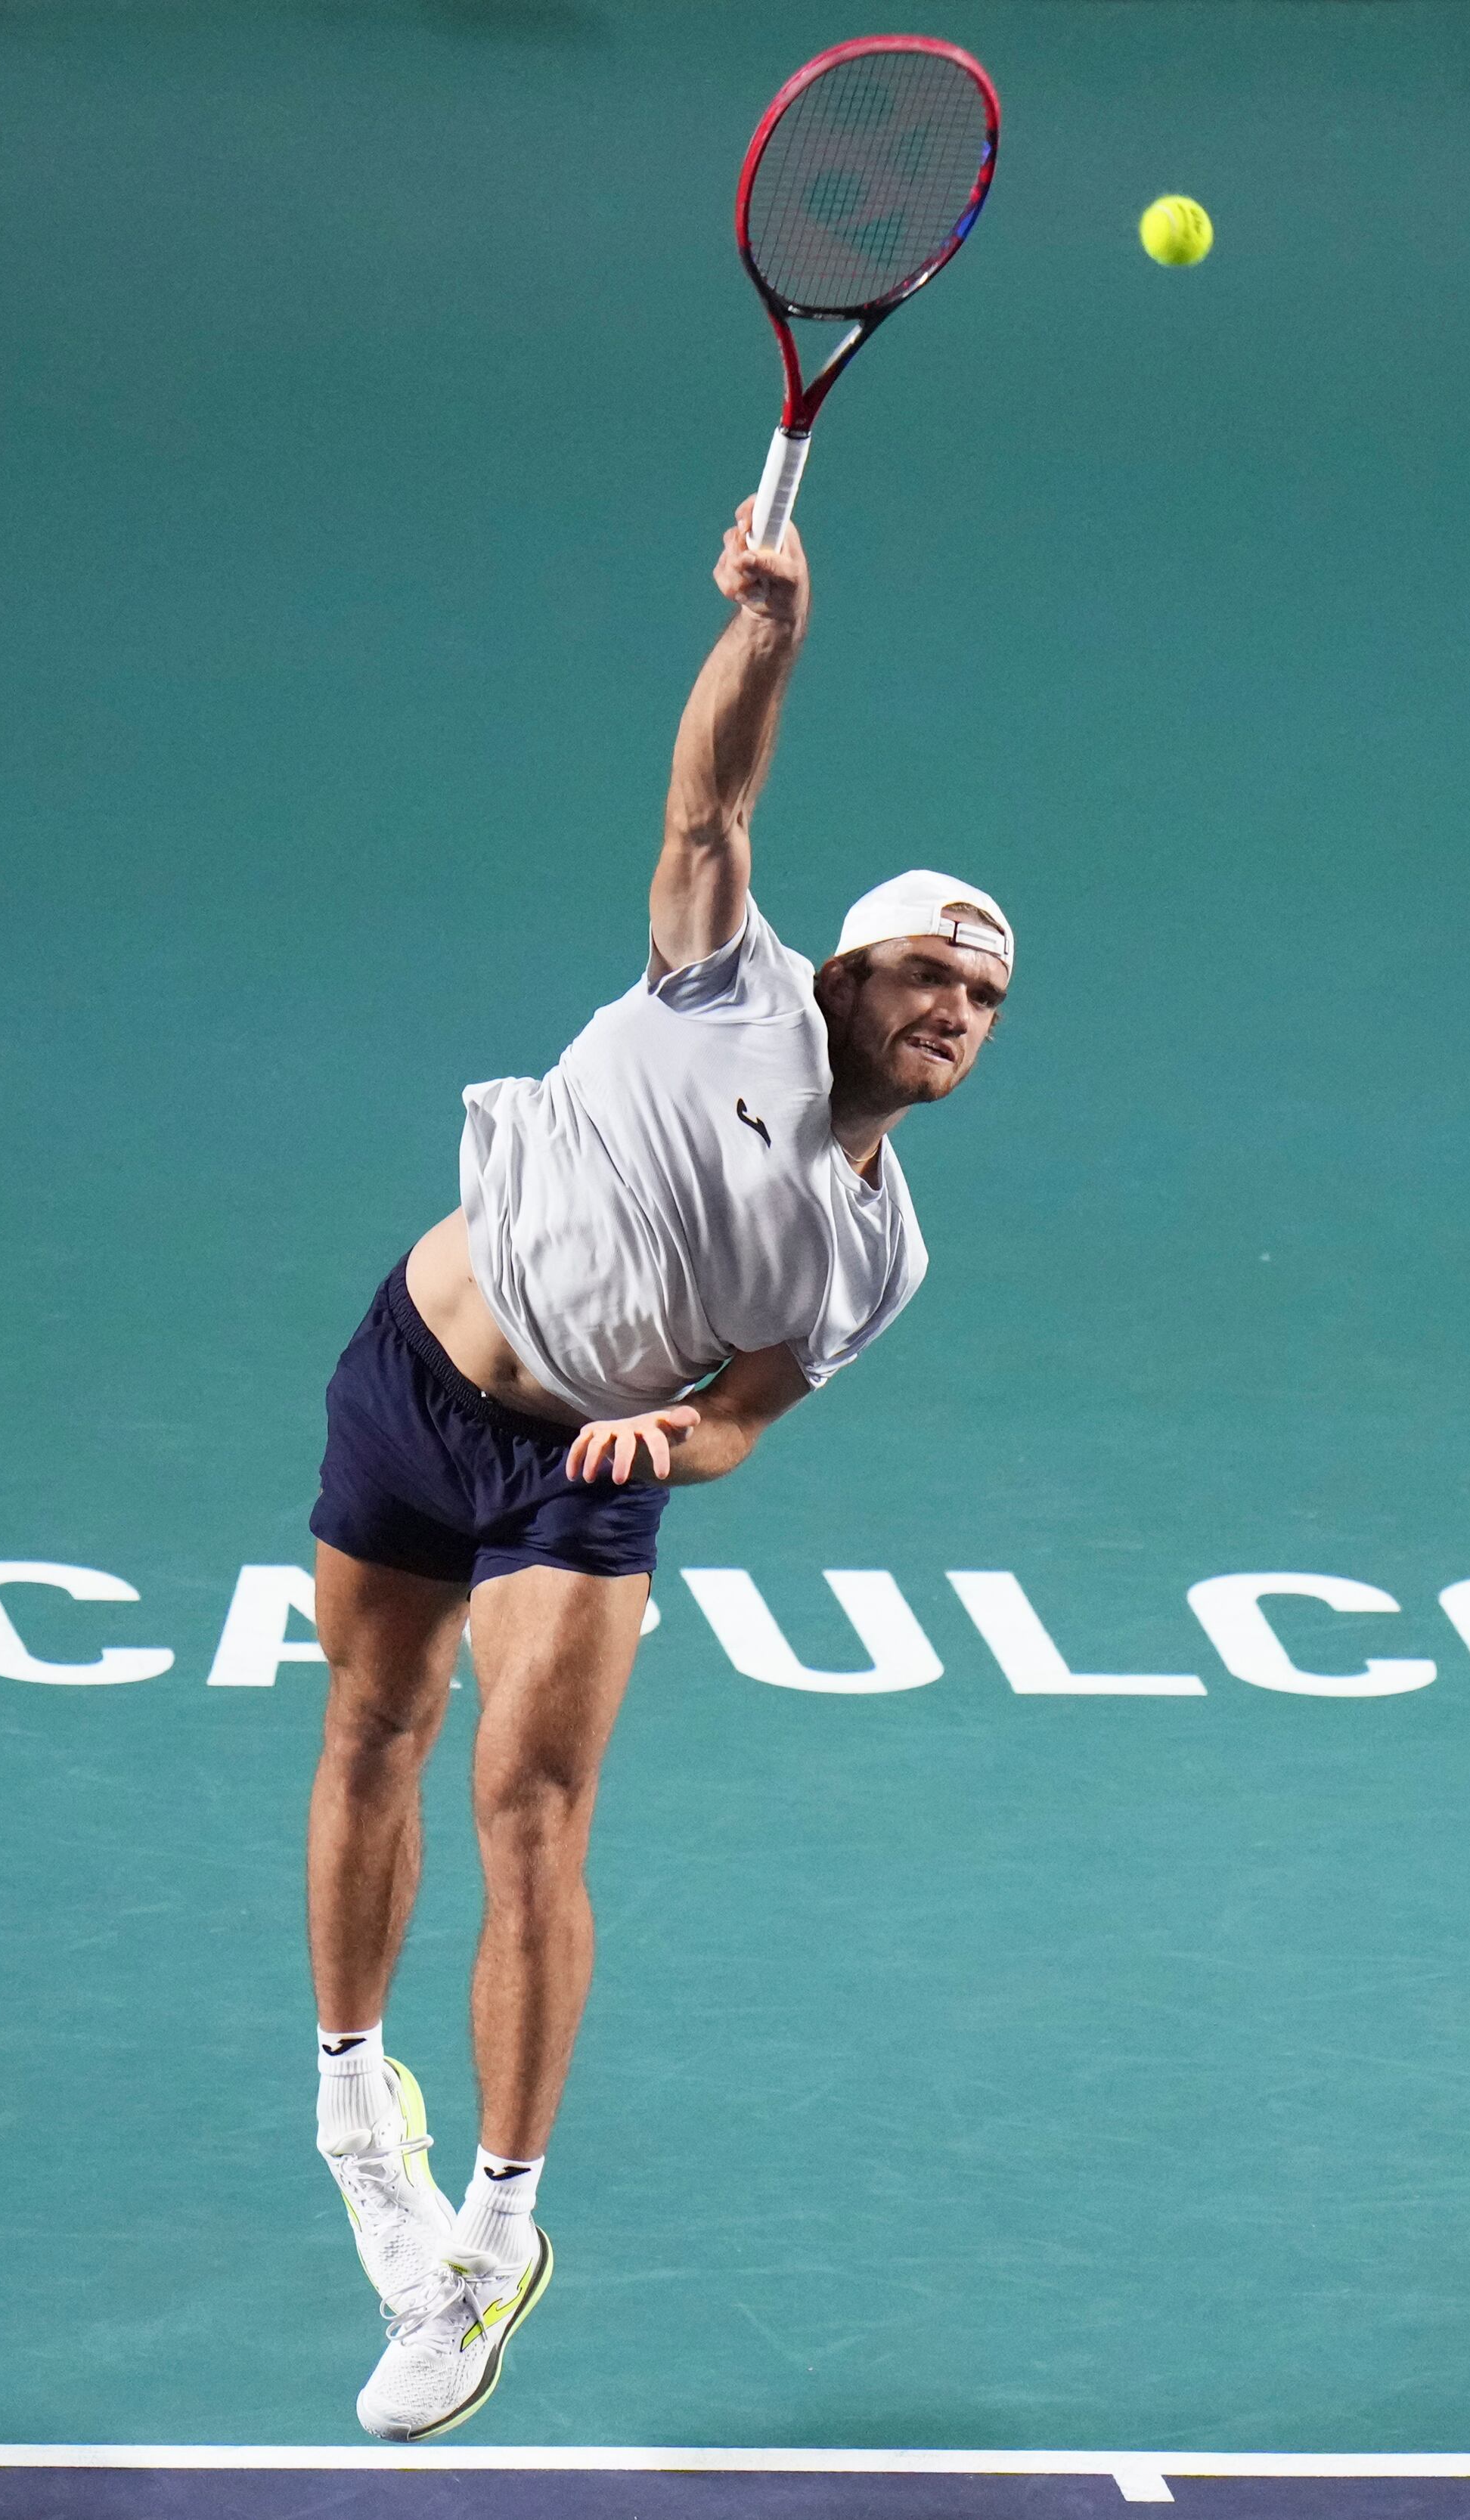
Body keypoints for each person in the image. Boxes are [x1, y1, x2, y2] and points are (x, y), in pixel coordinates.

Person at [295, 506, 1013, 2442]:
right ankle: (358, 2093)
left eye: (984, 999)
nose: (951, 1009)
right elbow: (707, 809)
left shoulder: (883, 1251)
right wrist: (767, 635)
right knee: (373, 1725)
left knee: (530, 1808)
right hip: (412, 1368)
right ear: (846, 975)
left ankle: (501, 2233)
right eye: (927, 972)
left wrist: (661, 1435)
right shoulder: (726, 988)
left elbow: (749, 1410)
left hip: (582, 1477)